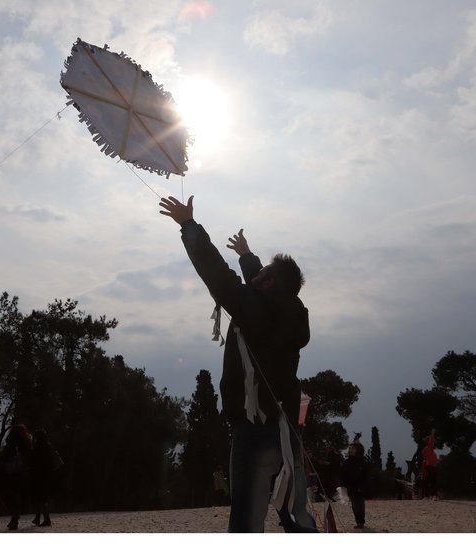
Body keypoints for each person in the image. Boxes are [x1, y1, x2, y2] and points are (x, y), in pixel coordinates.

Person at [159, 195, 316, 533]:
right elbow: (257, 286)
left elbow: (220, 277)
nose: (255, 278)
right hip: (286, 429)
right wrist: (247, 256)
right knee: (296, 514)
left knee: (246, 521)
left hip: (253, 428)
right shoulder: (291, 311)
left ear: (269, 282)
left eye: (263, 275)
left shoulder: (254, 308)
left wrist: (189, 226)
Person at [1, 424, 32, 530]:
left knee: (11, 494)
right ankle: (15, 516)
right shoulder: (26, 443)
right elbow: (30, 457)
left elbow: (3, 457)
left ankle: (14, 516)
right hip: (22, 472)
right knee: (18, 494)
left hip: (10, 472)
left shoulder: (9, 443)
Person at [30, 428, 59, 527]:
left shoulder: (38, 446)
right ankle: (38, 518)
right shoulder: (48, 446)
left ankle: (46, 519)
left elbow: (35, 462)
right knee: (41, 498)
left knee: (41, 499)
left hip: (40, 476)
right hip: (47, 476)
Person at [340, 442, 370, 529]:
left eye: (352, 448)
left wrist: (363, 486)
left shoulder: (363, 462)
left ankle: (361, 522)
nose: (350, 450)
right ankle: (359, 522)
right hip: (351, 487)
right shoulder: (347, 462)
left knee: (361, 505)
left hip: (361, 487)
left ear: (358, 450)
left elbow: (367, 475)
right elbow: (343, 474)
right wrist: (342, 485)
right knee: (355, 505)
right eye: (350, 448)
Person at [421, 429, 439, 500]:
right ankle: (432, 496)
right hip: (431, 467)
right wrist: (432, 434)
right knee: (432, 482)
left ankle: (430, 496)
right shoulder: (428, 448)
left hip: (432, 467)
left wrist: (439, 461)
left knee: (430, 482)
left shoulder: (432, 452)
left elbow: (434, 460)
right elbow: (431, 442)